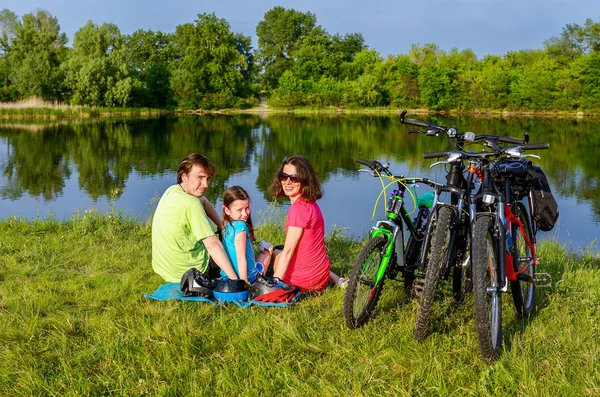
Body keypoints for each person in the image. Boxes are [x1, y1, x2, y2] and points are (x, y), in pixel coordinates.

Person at [152, 153, 238, 283]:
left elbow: (202, 200)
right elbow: (213, 246)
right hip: (193, 271)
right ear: (184, 176)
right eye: (200, 177)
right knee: (235, 246)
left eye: (207, 178)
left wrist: (221, 225)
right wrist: (235, 280)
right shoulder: (191, 204)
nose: (206, 184)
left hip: (165, 268)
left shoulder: (173, 190)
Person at [269, 155, 346, 292]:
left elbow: (288, 251)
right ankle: (337, 280)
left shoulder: (298, 209)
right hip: (321, 277)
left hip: (304, 282)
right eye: (284, 176)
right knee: (279, 251)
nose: (287, 182)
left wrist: (274, 284)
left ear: (304, 180)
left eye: (294, 178)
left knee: (276, 254)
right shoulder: (311, 203)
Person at [220, 185, 273, 283]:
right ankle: (258, 279)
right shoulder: (241, 226)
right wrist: (245, 284)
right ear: (227, 210)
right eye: (239, 210)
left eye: (247, 208)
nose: (245, 214)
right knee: (267, 251)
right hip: (247, 277)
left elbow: (250, 236)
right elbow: (241, 259)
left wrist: (259, 242)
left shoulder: (226, 225)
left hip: (227, 275)